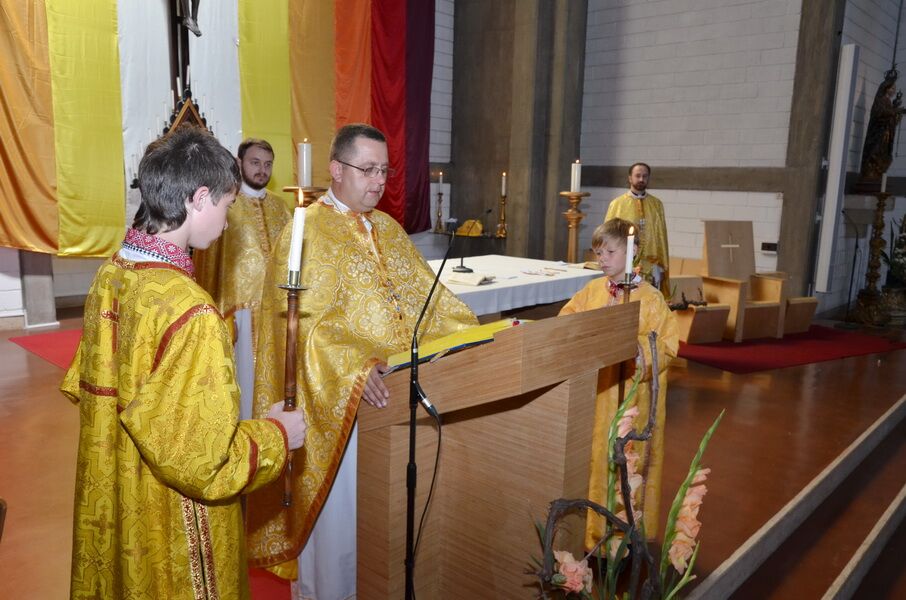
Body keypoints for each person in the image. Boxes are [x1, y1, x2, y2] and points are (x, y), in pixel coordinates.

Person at [60, 126, 308, 600]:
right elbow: (204, 464)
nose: (228, 221)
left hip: (120, 486)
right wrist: (277, 434)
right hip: (173, 518)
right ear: (199, 199)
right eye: (227, 205)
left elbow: (95, 387)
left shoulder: (111, 274)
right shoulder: (193, 313)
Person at [246, 123, 478, 599]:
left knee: (388, 520)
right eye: (368, 169)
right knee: (343, 520)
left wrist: (472, 333)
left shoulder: (388, 228)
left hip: (401, 398)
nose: (378, 181)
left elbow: (427, 300)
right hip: (343, 404)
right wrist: (356, 366)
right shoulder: (306, 231)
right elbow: (299, 326)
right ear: (336, 169)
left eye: (384, 171)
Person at [559, 218, 678, 551]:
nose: (603, 259)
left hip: (631, 401)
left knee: (626, 463)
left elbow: (668, 345)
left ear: (633, 251)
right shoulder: (592, 291)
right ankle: (591, 533)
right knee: (594, 460)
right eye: (599, 253)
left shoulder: (651, 299)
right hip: (597, 397)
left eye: (610, 252)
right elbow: (568, 320)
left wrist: (638, 350)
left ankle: (623, 539)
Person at [194, 138, 292, 419]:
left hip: (276, 311)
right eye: (255, 162)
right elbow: (209, 261)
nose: (262, 170)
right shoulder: (227, 205)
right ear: (239, 163)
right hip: (238, 311)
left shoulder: (281, 208)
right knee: (243, 385)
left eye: (268, 164)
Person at [605, 162, 670, 296]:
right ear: (630, 178)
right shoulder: (617, 204)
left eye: (645, 176)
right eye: (638, 175)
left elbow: (661, 236)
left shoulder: (656, 205)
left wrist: (661, 264)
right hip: (624, 263)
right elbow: (608, 236)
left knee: (650, 298)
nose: (641, 179)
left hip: (651, 264)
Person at [860, 68, 906, 182]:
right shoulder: (880, 99)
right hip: (877, 134)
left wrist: (896, 112)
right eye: (892, 88)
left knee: (883, 154)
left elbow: (890, 118)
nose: (893, 91)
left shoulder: (888, 102)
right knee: (874, 153)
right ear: (885, 88)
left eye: (894, 88)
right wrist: (896, 111)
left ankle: (876, 174)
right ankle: (869, 175)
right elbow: (880, 113)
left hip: (885, 134)